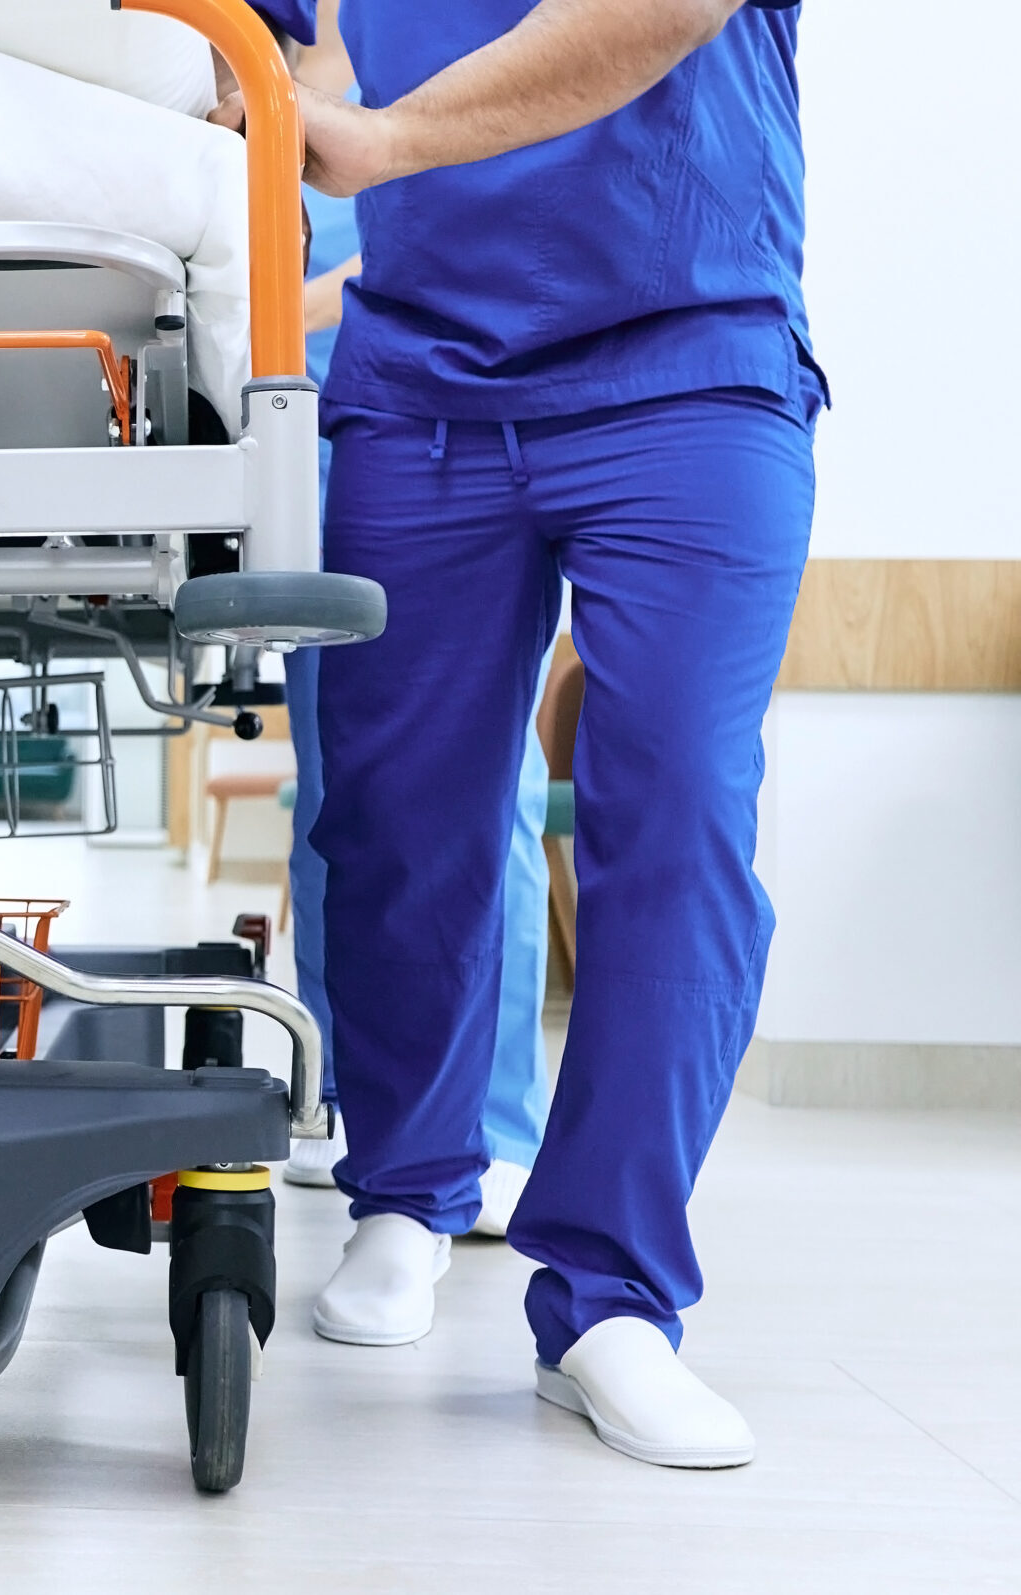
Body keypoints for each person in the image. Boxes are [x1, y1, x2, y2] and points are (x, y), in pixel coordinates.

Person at [221, 0, 821, 1468]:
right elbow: (253, 46)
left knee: (676, 809)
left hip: (691, 353)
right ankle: (405, 1192)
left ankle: (614, 1295)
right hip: (421, 379)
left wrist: (387, 139)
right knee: (393, 816)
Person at [275, 2, 554, 1241]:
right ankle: (353, 1092)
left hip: (456, 407)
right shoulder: (259, 62)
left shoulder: (464, 44)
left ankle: (489, 1125)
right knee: (344, 787)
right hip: (318, 430)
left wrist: (311, 302)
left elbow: (483, 207)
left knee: (485, 787)